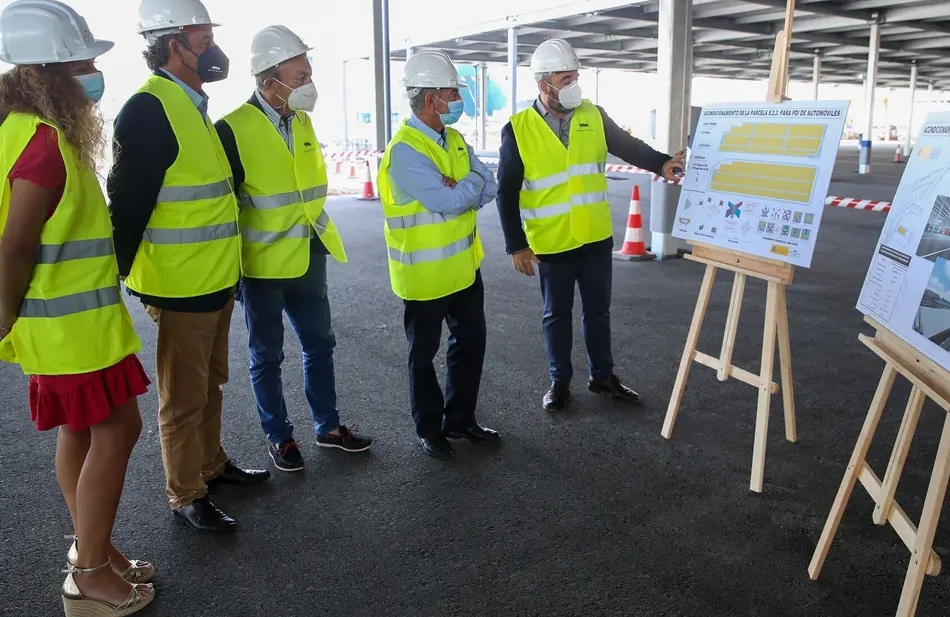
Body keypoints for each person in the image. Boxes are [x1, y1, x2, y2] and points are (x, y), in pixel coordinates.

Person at [0, 0, 155, 617]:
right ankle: (88, 575)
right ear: (48, 70)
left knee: (82, 430)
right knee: (118, 430)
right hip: (69, 328)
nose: (94, 72)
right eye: (83, 60)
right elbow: (16, 244)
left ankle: (97, 549)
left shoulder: (21, 128)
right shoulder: (40, 142)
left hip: (65, 326)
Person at [107, 0, 268, 533]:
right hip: (180, 286)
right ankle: (185, 493)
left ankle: (210, 464)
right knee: (182, 397)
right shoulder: (149, 109)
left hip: (216, 279)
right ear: (176, 45)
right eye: (206, 39)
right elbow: (126, 206)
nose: (215, 48)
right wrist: (115, 281)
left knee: (211, 383)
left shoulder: (193, 106)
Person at [496, 39, 686, 411]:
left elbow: (630, 147)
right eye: (565, 79)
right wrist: (516, 246)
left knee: (598, 312)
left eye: (575, 77)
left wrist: (662, 163)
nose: (573, 86)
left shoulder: (594, 115)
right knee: (557, 315)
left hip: (596, 238)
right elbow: (506, 192)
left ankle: (603, 376)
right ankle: (560, 380)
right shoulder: (517, 129)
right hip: (551, 242)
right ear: (544, 85)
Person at [215, 25, 372, 472]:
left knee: (320, 345)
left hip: (307, 256)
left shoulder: (302, 121)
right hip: (261, 267)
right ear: (269, 82)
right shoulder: (230, 130)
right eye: (299, 77)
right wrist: (234, 274)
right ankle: (279, 437)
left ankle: (328, 427)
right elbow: (226, 207)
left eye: (308, 75)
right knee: (266, 356)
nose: (309, 84)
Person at [377, 50, 499, 460]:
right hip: (425, 274)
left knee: (471, 343)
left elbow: (489, 182)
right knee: (423, 355)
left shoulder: (455, 140)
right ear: (431, 99)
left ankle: (460, 419)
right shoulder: (405, 151)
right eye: (452, 93)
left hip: (464, 268)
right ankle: (430, 428)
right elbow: (450, 200)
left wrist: (458, 188)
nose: (458, 100)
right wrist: (462, 190)